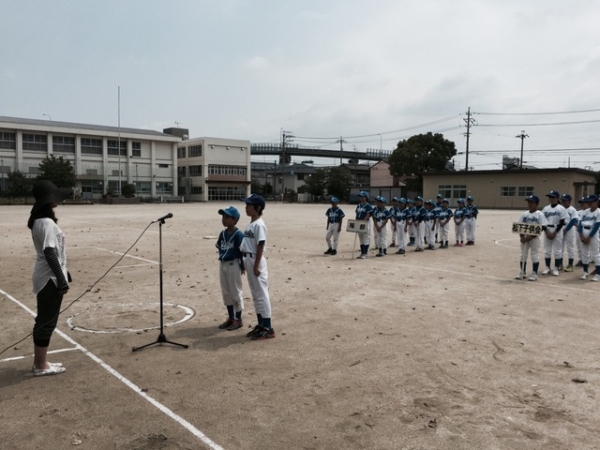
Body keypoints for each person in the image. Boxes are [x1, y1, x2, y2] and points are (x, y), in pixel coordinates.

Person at [28, 180, 73, 377]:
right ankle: (41, 365)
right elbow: (49, 252)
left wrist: (64, 272)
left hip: (48, 275)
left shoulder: (39, 220)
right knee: (47, 322)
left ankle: (40, 362)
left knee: (44, 320)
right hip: (49, 279)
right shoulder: (46, 222)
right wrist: (61, 279)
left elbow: (55, 252)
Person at [240, 194, 274, 340]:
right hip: (248, 259)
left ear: (257, 208)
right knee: (255, 295)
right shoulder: (251, 223)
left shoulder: (259, 224)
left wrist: (255, 266)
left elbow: (260, 245)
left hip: (256, 260)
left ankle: (268, 327)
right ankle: (261, 324)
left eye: (249, 205)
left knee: (262, 294)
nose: (246, 207)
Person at [215, 206, 245, 331]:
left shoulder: (238, 234)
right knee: (226, 291)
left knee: (235, 291)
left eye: (227, 217)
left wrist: (242, 266)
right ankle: (231, 317)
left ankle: (238, 318)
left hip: (234, 264)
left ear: (235, 220)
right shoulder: (222, 234)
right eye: (223, 217)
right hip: (223, 264)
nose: (224, 219)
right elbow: (219, 247)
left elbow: (241, 251)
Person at [516, 195, 548, 281]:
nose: (529, 204)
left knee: (534, 255)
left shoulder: (539, 214)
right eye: (528, 202)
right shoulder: (524, 214)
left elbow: (543, 227)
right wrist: (522, 237)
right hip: (525, 238)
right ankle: (522, 272)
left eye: (532, 202)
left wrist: (531, 236)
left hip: (534, 238)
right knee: (523, 255)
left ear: (536, 204)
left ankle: (534, 273)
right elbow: (519, 226)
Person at [541, 190, 568, 276]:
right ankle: (547, 267)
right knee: (547, 250)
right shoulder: (545, 208)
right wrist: (546, 231)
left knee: (557, 251)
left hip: (557, 229)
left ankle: (556, 268)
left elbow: (562, 222)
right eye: (550, 197)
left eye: (553, 197)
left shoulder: (561, 208)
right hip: (547, 228)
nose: (551, 199)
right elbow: (542, 221)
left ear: (557, 198)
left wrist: (555, 232)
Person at [577, 194, 600, 281]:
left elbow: (597, 226)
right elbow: (579, 224)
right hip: (584, 231)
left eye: (591, 202)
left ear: (596, 202)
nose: (589, 203)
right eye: (588, 202)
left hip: (593, 233)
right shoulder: (585, 211)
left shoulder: (598, 212)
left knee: (596, 254)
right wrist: (581, 235)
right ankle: (585, 272)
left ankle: (598, 274)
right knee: (584, 253)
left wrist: (589, 237)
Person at [560, 194, 578, 272]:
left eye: (565, 200)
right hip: (561, 228)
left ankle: (570, 265)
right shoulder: (560, 209)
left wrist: (566, 229)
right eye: (562, 200)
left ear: (569, 201)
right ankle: (559, 264)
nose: (563, 202)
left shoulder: (572, 209)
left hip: (569, 229)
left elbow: (573, 220)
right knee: (560, 247)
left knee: (570, 247)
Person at [355, 191, 373, 259]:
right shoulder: (359, 205)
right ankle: (362, 252)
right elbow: (357, 213)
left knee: (366, 238)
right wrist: (356, 222)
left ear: (366, 197)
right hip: (359, 222)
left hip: (365, 222)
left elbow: (369, 214)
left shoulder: (368, 205)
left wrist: (363, 221)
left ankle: (365, 253)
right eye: (360, 197)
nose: (361, 198)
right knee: (361, 238)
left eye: (362, 197)